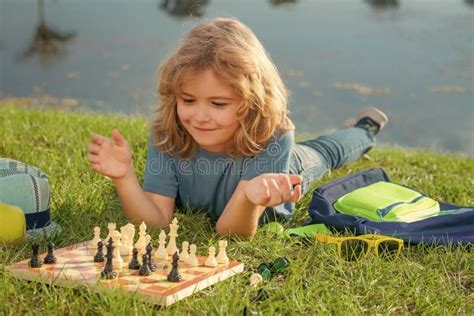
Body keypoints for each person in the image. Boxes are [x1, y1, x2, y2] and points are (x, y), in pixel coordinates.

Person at [86, 17, 388, 239]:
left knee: (325, 153)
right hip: (246, 178)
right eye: (188, 100)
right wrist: (124, 178)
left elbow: (231, 233)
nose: (200, 116)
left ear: (252, 102)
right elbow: (157, 223)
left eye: (218, 104)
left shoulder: (275, 138)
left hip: (279, 167)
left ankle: (365, 128)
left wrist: (249, 197)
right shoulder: (168, 132)